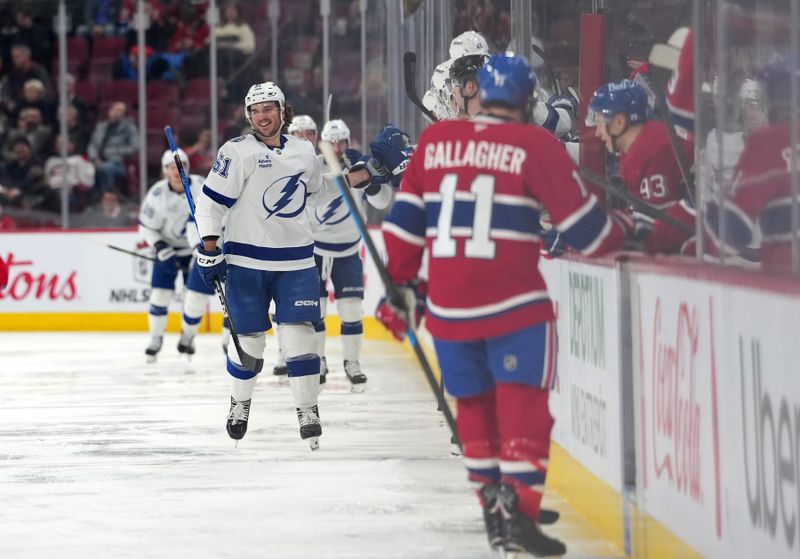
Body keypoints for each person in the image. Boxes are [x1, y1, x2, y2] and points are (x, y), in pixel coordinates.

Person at [379, 53, 633, 557]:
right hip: (514, 306)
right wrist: (632, 230)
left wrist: (400, 288)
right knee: (524, 409)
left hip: (450, 311)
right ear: (526, 99)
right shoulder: (535, 143)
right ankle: (521, 511)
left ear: (477, 92)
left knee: (473, 409)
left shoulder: (432, 142)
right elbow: (589, 232)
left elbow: (403, 226)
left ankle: (493, 512)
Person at [193, 82, 327, 449]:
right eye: (255, 110)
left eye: (269, 108)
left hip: (297, 259)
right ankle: (240, 403)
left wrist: (362, 176)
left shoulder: (303, 149)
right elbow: (210, 205)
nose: (262, 116)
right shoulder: (237, 152)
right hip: (246, 261)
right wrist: (209, 247)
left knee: (300, 336)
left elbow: (317, 190)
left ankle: (308, 409)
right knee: (248, 343)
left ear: (284, 111)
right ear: (248, 115)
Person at [303, 118, 393, 392]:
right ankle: (318, 361)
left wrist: (371, 181)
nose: (339, 147)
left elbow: (383, 200)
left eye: (343, 141)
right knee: (315, 312)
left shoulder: (360, 168)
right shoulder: (314, 166)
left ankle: (352, 363)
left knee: (352, 310)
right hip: (315, 251)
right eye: (334, 142)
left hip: (348, 250)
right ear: (325, 143)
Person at [586, 78, 695, 253]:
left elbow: (655, 228)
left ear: (619, 122)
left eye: (600, 122)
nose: (598, 133)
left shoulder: (649, 150)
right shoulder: (638, 145)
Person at [137, 148, 216, 362]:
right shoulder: (157, 194)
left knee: (197, 297)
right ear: (165, 171)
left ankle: (187, 337)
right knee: (160, 295)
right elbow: (146, 227)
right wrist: (160, 245)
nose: (176, 171)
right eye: (172, 167)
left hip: (198, 248)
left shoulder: (202, 186)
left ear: (188, 168)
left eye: (181, 166)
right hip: (168, 250)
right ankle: (156, 339)